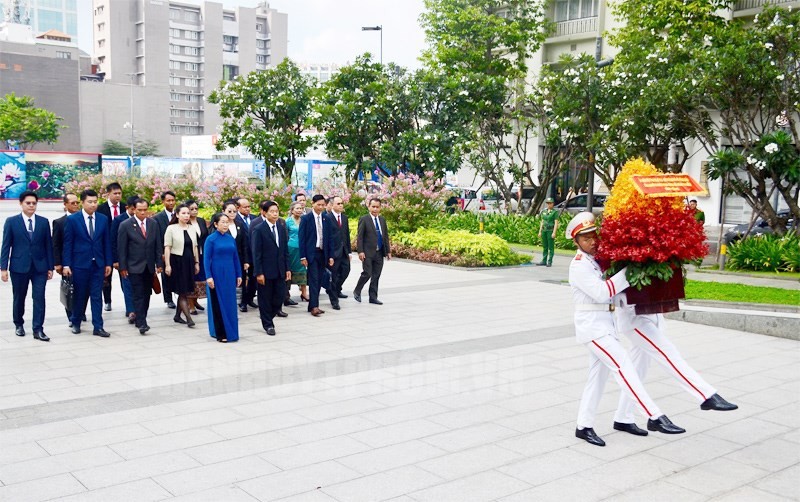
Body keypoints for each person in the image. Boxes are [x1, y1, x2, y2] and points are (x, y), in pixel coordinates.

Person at [566, 211, 684, 447]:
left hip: (604, 325)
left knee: (597, 378)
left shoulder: (595, 261)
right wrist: (631, 271)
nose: (592, 241)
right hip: (593, 328)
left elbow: (614, 296)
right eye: (586, 238)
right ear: (576, 241)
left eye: (593, 236)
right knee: (623, 365)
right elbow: (602, 292)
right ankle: (653, 415)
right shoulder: (579, 266)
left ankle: (584, 425)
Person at [612, 301, 738, 434]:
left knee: (637, 372)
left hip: (651, 317)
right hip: (635, 320)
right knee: (669, 355)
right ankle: (707, 395)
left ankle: (623, 418)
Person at [1, 190, 54, 342]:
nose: (31, 206)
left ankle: (38, 329)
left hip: (40, 267)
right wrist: (3, 268)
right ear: (21, 204)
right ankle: (18, 324)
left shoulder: (43, 222)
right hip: (19, 266)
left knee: (39, 297)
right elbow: (6, 246)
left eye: (34, 203)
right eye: (28, 203)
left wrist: (50, 267)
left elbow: (48, 246)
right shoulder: (11, 221)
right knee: (19, 297)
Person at [62, 189, 113, 338]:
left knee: (97, 295)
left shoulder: (103, 219)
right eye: (89, 202)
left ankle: (98, 326)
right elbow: (68, 244)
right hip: (80, 265)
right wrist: (66, 265)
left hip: (98, 264)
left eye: (95, 201)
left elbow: (106, 243)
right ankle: (76, 322)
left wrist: (108, 263)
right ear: (82, 202)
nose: (93, 205)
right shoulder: (73, 220)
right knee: (80, 295)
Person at [118, 198, 164, 335]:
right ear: (134, 209)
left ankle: (140, 317)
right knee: (138, 294)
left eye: (145, 210)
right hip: (134, 266)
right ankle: (142, 323)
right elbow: (122, 248)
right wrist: (123, 267)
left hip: (149, 266)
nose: (143, 213)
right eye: (140, 210)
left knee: (146, 294)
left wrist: (159, 264)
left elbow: (157, 245)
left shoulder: (153, 224)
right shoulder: (125, 225)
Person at [252, 200, 291, 335]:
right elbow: (256, 253)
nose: (275, 214)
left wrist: (287, 268)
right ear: (264, 213)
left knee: (279, 297)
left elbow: (285, 250)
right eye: (272, 212)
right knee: (265, 299)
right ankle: (268, 324)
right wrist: (259, 272)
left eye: (276, 212)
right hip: (265, 271)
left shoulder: (280, 227)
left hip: (280, 269)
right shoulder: (259, 230)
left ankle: (269, 316)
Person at [204, 213, 242, 342]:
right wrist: (208, 276)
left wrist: (239, 274)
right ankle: (221, 333)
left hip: (230, 273)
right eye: (223, 222)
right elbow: (206, 259)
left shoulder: (230, 238)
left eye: (227, 222)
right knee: (218, 302)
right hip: (216, 274)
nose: (226, 225)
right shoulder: (211, 239)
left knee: (230, 303)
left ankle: (232, 331)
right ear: (215, 224)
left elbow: (236, 257)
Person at [163, 204, 199, 327]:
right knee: (182, 291)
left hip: (189, 262)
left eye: (188, 213)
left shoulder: (192, 228)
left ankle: (177, 316)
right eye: (183, 213)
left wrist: (196, 262)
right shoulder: (171, 228)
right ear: (177, 215)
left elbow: (195, 247)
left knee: (185, 290)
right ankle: (189, 318)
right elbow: (167, 247)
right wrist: (167, 265)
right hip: (177, 262)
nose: (186, 216)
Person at [299, 194, 334, 317]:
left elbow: (330, 238)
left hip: (322, 253)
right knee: (313, 280)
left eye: (323, 205)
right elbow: (302, 239)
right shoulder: (306, 219)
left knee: (319, 280)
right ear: (312, 204)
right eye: (318, 205)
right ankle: (314, 306)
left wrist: (331, 256)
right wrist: (303, 256)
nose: (320, 207)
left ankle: (312, 305)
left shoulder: (326, 218)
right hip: (311, 254)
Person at [354, 197, 391, 305]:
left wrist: (388, 251)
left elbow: (385, 237)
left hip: (379, 252)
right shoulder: (364, 219)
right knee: (367, 273)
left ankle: (373, 297)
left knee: (376, 275)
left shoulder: (382, 220)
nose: (375, 209)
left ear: (380, 208)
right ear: (369, 207)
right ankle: (357, 290)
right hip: (367, 252)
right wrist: (360, 251)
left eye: (377, 207)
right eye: (373, 206)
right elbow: (360, 237)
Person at [52, 193, 81, 325]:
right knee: (69, 288)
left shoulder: (83, 219)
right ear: (65, 204)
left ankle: (79, 312)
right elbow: (56, 244)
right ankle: (71, 315)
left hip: (82, 260)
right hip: (66, 262)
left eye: (77, 203)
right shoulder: (59, 222)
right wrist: (58, 263)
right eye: (72, 203)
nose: (75, 205)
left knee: (82, 288)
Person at [97, 181, 126, 311]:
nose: (117, 196)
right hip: (105, 247)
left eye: (119, 193)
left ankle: (128, 303)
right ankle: (107, 301)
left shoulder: (126, 207)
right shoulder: (100, 209)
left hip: (122, 248)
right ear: (108, 194)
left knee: (124, 276)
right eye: (115, 193)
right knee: (106, 275)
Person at [111, 195, 138, 324]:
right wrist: (116, 260)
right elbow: (113, 241)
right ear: (128, 208)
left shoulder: (143, 220)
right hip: (124, 259)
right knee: (127, 285)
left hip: (139, 259)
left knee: (138, 285)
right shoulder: (119, 220)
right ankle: (131, 310)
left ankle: (137, 308)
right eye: (134, 209)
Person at [223, 201, 251, 311]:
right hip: (226, 258)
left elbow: (245, 244)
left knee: (242, 279)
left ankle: (243, 302)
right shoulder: (220, 225)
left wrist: (246, 261)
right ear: (223, 211)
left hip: (239, 257)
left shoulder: (240, 224)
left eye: (234, 211)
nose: (232, 213)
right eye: (229, 211)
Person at [325, 195, 351, 310]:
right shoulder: (327, 218)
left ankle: (334, 289)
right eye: (338, 204)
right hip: (333, 253)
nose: (341, 205)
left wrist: (349, 251)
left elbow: (346, 236)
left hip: (344, 251)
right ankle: (334, 300)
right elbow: (326, 238)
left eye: (341, 203)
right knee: (333, 276)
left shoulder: (344, 218)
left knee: (346, 270)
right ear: (331, 205)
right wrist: (329, 255)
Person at [153, 190, 177, 309]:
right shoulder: (157, 218)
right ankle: (168, 299)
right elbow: (157, 237)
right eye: (168, 200)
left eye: (173, 200)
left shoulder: (179, 214)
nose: (171, 203)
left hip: (178, 250)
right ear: (163, 202)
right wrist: (160, 253)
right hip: (164, 251)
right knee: (166, 276)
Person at [187, 200, 209, 315]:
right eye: (192, 209)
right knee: (192, 279)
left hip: (202, 253)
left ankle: (195, 301)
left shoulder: (201, 221)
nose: (194, 211)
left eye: (196, 208)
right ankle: (190, 304)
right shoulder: (185, 222)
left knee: (201, 278)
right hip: (190, 255)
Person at [236, 197, 258, 311]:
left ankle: (250, 298)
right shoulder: (235, 219)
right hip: (244, 253)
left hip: (254, 252)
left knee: (254, 277)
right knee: (244, 278)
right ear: (238, 207)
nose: (248, 209)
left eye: (249, 206)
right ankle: (243, 302)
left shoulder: (254, 218)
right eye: (245, 207)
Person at [286, 201, 309, 303]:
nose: (299, 210)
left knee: (303, 269)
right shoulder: (287, 222)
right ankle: (287, 293)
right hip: (291, 250)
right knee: (289, 270)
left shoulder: (304, 221)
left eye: (301, 208)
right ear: (292, 210)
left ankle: (304, 292)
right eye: (297, 208)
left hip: (303, 249)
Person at [537, 197, 559, 267]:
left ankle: (549, 261)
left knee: (550, 247)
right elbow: (542, 222)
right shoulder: (544, 211)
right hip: (544, 230)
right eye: (548, 203)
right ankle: (544, 260)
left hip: (550, 230)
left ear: (553, 204)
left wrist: (554, 232)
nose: (549, 205)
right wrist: (540, 231)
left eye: (550, 203)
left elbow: (556, 223)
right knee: (545, 246)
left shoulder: (555, 212)